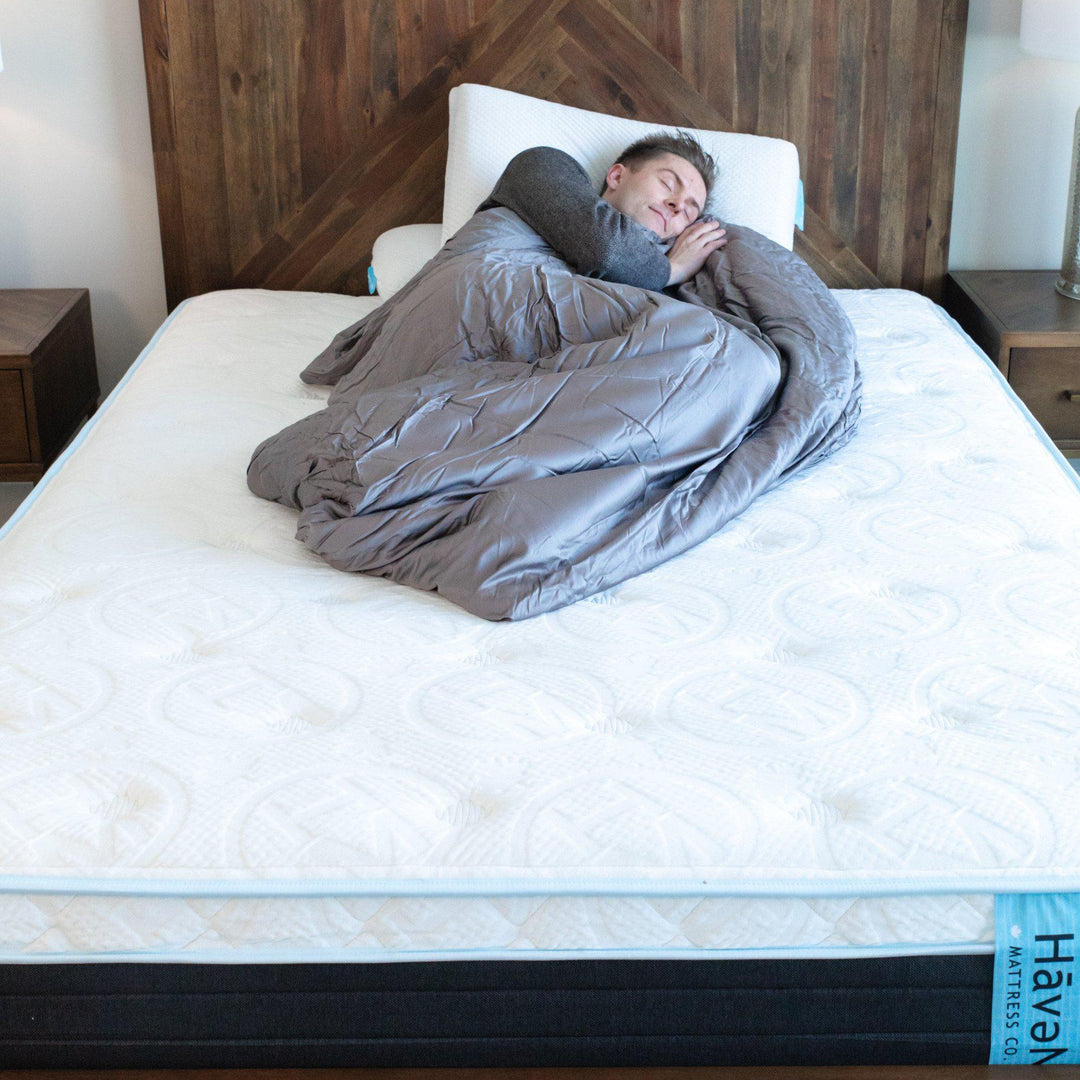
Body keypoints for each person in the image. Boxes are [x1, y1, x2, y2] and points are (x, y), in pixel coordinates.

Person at [475, 131, 728, 292]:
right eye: (668, 184)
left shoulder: (671, 287)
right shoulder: (543, 165)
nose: (678, 206)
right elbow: (606, 249)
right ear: (617, 176)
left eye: (689, 212)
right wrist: (672, 270)